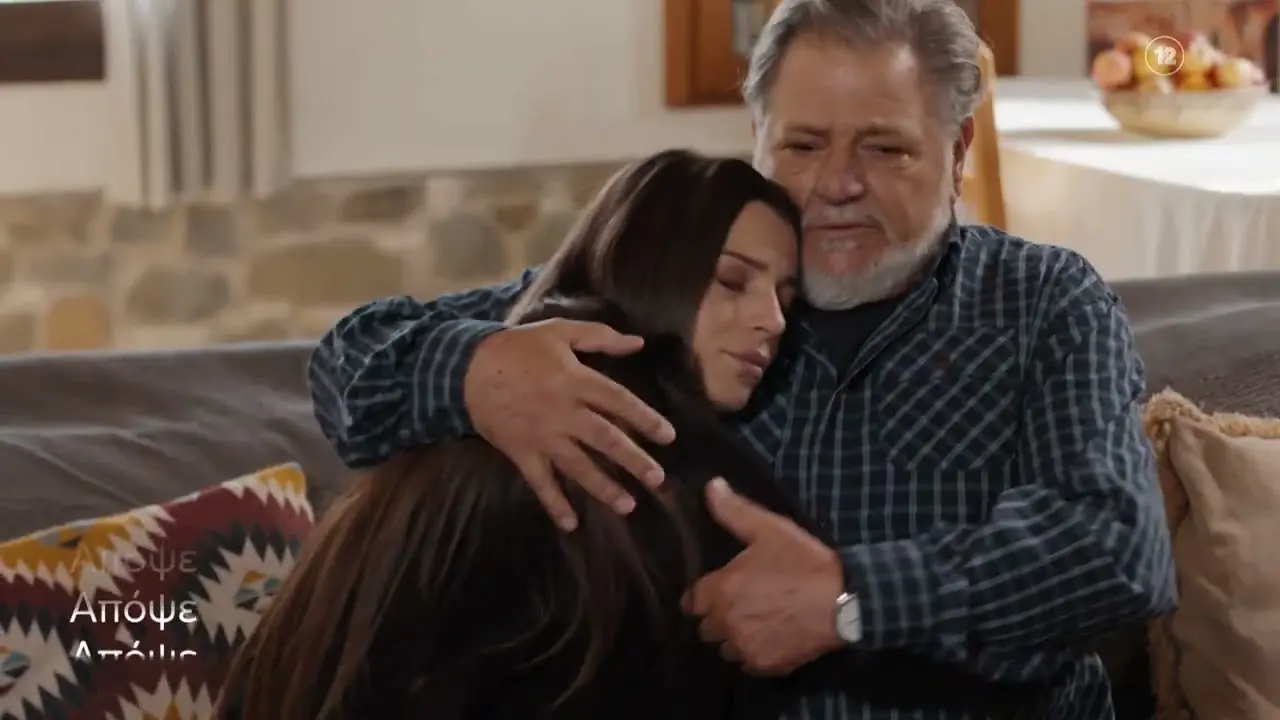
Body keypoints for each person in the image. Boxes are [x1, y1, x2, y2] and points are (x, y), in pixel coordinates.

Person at [306, 0, 1178, 718]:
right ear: (757, 138)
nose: (836, 183)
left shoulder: (1042, 303)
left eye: (884, 148)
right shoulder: (672, 277)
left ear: (956, 154)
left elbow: (1118, 552)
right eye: (803, 145)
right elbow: (347, 364)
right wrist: (476, 373)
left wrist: (851, 599)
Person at [216, 149, 830, 719]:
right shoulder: (530, 401)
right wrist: (471, 371)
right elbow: (346, 355)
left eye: (785, 297)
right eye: (732, 281)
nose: (773, 320)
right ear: (653, 268)